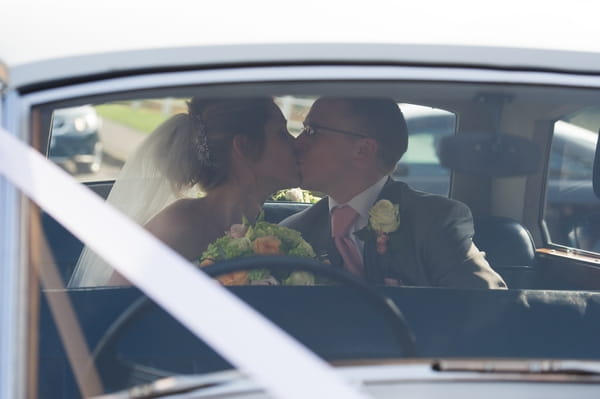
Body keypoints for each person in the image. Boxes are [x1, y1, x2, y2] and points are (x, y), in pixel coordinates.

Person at [69, 96, 300, 287]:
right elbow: (114, 310)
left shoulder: (260, 229)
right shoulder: (180, 227)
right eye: (281, 133)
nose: (295, 144)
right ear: (244, 147)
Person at [280, 97, 507, 289]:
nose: (297, 143)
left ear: (363, 150)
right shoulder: (294, 233)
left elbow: (485, 305)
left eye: (312, 131)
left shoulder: (435, 222)